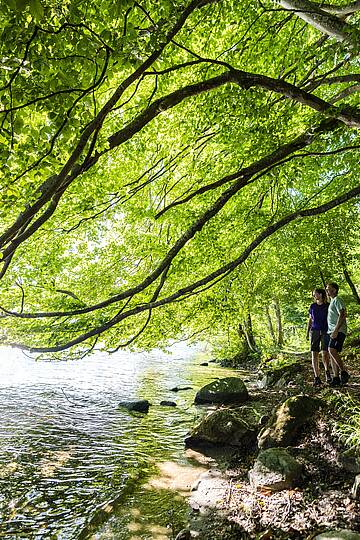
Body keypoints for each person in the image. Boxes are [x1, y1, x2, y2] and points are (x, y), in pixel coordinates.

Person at [325, 282, 349, 387]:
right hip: (333, 331)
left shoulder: (338, 300)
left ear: (334, 290)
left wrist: (335, 330)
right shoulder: (332, 301)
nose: (326, 291)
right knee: (331, 354)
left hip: (338, 331)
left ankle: (344, 372)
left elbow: (343, 314)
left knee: (331, 350)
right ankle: (336, 378)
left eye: (328, 289)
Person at [306, 288, 331, 387]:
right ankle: (317, 377)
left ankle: (327, 372)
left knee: (325, 353)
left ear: (320, 295)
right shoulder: (312, 306)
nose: (313, 296)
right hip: (314, 331)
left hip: (325, 331)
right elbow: (310, 320)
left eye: (315, 294)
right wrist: (307, 333)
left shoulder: (328, 306)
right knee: (314, 354)